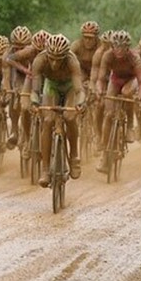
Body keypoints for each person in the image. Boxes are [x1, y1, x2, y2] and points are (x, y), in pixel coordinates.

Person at [27, 34, 85, 187]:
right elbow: (35, 89)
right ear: (47, 54)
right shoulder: (39, 60)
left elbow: (79, 89)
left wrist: (80, 103)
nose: (54, 62)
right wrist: (34, 102)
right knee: (47, 121)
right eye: (51, 58)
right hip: (51, 86)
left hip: (69, 87)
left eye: (59, 59)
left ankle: (74, 156)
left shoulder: (72, 61)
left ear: (65, 56)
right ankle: (45, 169)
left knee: (70, 117)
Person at [95, 30, 141, 174]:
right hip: (115, 80)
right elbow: (100, 79)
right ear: (112, 46)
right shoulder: (107, 56)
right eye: (116, 46)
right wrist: (99, 90)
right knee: (108, 114)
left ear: (128, 47)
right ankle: (105, 154)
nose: (119, 50)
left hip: (131, 80)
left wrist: (140, 96)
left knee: (126, 93)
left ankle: (129, 125)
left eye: (122, 47)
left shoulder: (135, 58)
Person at [4, 29, 51, 158]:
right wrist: (25, 70)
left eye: (43, 52)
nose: (39, 54)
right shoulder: (28, 51)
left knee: (47, 108)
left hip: (48, 79)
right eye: (37, 51)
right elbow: (9, 59)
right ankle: (26, 139)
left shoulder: (53, 53)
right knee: (24, 108)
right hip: (30, 78)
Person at [3, 26, 33, 150]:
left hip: (31, 75)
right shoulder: (8, 54)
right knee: (14, 97)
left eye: (22, 47)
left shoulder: (32, 51)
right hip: (17, 76)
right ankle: (15, 130)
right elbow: (6, 76)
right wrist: (8, 91)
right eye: (16, 47)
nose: (19, 50)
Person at [89, 30, 115, 150]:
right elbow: (94, 75)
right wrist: (94, 89)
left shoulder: (118, 54)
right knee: (99, 106)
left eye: (111, 45)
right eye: (105, 44)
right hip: (103, 80)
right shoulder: (98, 54)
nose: (108, 47)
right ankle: (98, 136)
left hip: (115, 80)